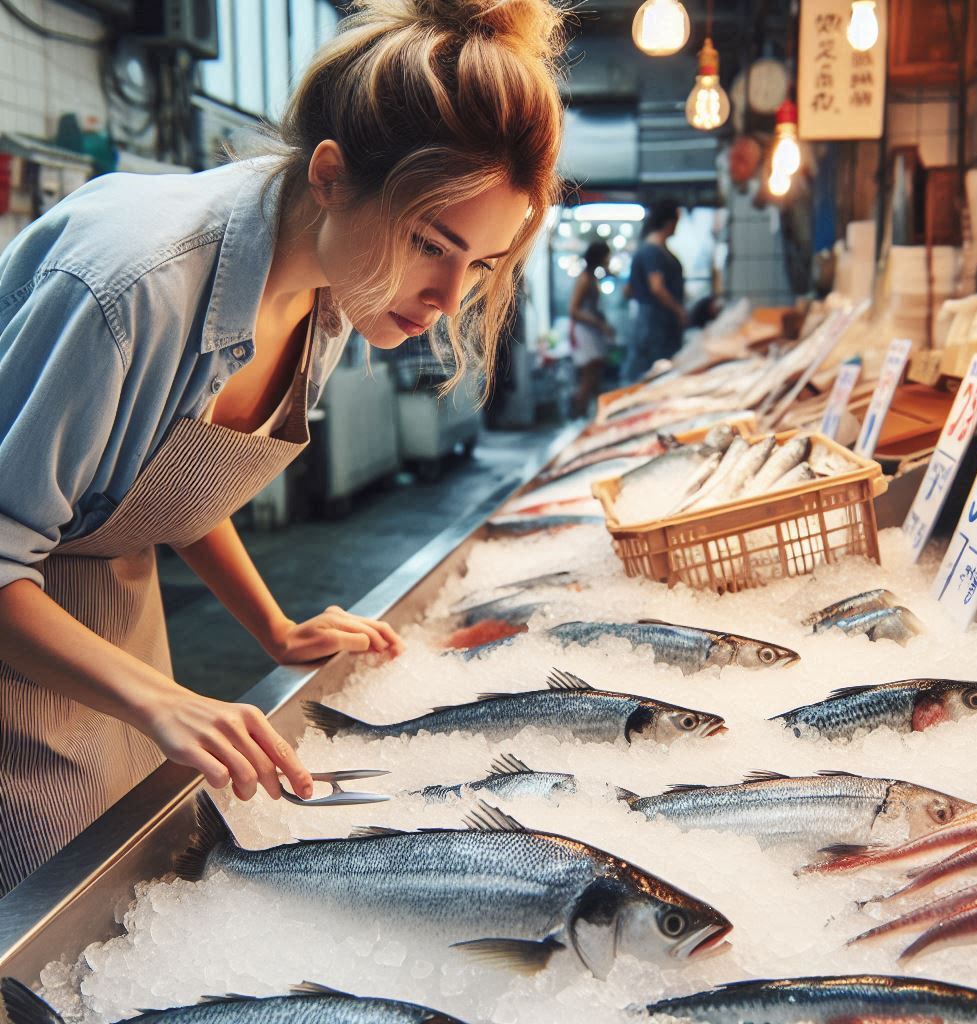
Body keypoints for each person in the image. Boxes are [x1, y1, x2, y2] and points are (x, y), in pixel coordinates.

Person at [0, 0, 565, 895]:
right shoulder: (130, 291)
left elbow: (167, 483)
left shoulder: (335, 287)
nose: (447, 298)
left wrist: (272, 625)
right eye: (432, 243)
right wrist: (160, 699)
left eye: (483, 266)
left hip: (114, 614)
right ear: (333, 177)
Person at [623, 199, 687, 381]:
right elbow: (657, 287)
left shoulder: (647, 250)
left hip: (649, 322)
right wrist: (679, 311)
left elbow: (627, 290)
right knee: (656, 375)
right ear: (668, 222)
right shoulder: (653, 251)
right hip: (656, 326)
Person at [568, 241, 614, 418]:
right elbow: (573, 310)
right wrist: (599, 323)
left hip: (591, 331)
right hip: (585, 332)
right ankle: (579, 415)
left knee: (594, 376)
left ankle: (594, 415)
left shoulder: (591, 277)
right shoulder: (585, 279)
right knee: (588, 376)